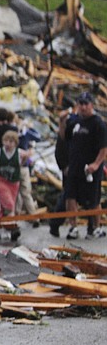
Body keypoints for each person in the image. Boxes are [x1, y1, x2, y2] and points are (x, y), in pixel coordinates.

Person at [58, 91, 107, 239]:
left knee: (93, 199)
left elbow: (104, 148)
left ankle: (96, 227)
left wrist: (96, 164)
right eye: (81, 104)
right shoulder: (74, 121)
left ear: (91, 105)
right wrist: (62, 122)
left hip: (90, 169)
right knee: (70, 196)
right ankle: (73, 227)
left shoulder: (98, 123)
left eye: (86, 104)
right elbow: (63, 137)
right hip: (74, 166)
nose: (83, 107)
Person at [0, 130, 33, 239]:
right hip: (1, 181)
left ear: (15, 143)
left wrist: (21, 164)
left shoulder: (19, 153)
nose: (8, 144)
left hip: (13, 183)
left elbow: (27, 156)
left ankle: (6, 227)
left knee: (9, 206)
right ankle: (7, 227)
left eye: (11, 141)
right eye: (6, 141)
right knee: (7, 205)